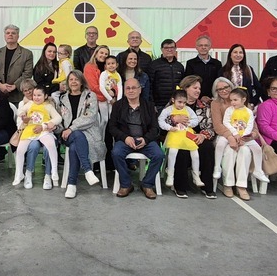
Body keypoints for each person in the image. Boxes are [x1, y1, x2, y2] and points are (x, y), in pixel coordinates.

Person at [108, 79, 164, 199]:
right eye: (128, 88)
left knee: (159, 155)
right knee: (116, 153)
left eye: (134, 88)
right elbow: (112, 127)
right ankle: (126, 184)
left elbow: (155, 128)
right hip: (126, 140)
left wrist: (146, 139)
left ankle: (147, 184)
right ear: (124, 90)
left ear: (140, 90)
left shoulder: (149, 105)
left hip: (145, 140)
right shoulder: (118, 106)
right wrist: (125, 138)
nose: (131, 90)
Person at [58, 70, 104, 199]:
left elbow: (90, 117)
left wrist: (72, 128)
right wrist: (63, 130)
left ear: (82, 82)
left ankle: (71, 184)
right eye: (71, 79)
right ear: (68, 82)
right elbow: (59, 118)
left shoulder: (90, 96)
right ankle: (87, 169)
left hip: (88, 134)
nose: (74, 82)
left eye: (76, 79)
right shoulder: (62, 98)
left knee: (74, 146)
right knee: (77, 136)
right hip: (67, 135)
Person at [169, 76, 216, 199]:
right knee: (182, 149)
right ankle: (180, 186)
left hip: (198, 138)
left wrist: (203, 135)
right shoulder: (173, 104)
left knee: (207, 147)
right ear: (185, 88)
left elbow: (211, 127)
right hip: (179, 136)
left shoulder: (204, 106)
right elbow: (162, 122)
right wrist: (174, 119)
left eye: (199, 88)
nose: (198, 91)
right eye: (195, 88)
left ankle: (207, 186)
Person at [217, 87, 267, 200]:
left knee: (246, 151)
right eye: (231, 100)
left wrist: (244, 136)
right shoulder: (228, 109)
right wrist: (234, 135)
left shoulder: (248, 111)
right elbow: (224, 124)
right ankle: (228, 184)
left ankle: (242, 185)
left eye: (235, 100)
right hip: (230, 137)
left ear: (243, 99)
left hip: (244, 139)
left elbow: (251, 126)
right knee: (230, 151)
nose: (232, 102)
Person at [12, 87, 61, 189]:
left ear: (45, 96)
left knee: (51, 145)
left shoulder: (48, 106)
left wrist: (48, 124)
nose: (36, 97)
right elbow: (20, 110)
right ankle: (19, 173)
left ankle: (54, 171)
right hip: (30, 130)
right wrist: (22, 115)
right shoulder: (29, 104)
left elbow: (58, 118)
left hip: (43, 130)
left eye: (39, 95)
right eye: (34, 95)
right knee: (20, 150)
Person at [160, 89, 205, 191]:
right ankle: (170, 174)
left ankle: (196, 176)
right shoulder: (168, 110)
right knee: (173, 151)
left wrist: (189, 123)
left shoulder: (188, 110)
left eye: (184, 102)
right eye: (179, 102)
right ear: (173, 100)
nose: (182, 105)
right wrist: (169, 127)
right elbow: (161, 121)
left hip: (186, 133)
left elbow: (195, 120)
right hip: (174, 134)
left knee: (195, 153)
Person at [0, 24, 34, 104]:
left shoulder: (27, 54)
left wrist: (15, 85)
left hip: (18, 96)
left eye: (13, 33)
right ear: (4, 36)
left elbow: (27, 73)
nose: (10, 35)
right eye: (8, 33)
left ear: (18, 36)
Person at [147, 39, 186, 111]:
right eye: (166, 48)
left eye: (172, 47)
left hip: (176, 104)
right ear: (161, 49)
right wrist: (152, 104)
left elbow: (183, 86)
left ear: (175, 49)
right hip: (159, 105)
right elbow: (149, 86)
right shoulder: (154, 65)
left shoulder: (179, 66)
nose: (169, 50)